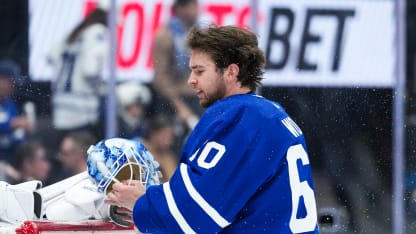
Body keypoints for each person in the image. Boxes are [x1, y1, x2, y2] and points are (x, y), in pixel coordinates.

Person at [106, 25, 319, 233]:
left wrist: (141, 202)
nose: (191, 80)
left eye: (200, 71)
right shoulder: (268, 113)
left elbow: (194, 217)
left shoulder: (240, 119)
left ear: (231, 72)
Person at [47, 6, 108, 145]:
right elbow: (90, 70)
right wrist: (102, 88)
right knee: (82, 160)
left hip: (60, 108)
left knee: (66, 156)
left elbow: (51, 56)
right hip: (81, 110)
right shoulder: (98, 32)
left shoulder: (76, 32)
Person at [150, 0, 201, 153]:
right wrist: (179, 107)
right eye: (191, 6)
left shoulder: (201, 35)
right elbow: (160, 78)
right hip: (172, 102)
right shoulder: (165, 36)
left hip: (198, 99)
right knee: (171, 149)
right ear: (180, 9)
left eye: (196, 6)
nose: (196, 10)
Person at [0, 59, 33, 165]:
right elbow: (14, 124)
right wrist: (13, 124)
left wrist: (27, 133)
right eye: (11, 82)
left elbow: (18, 137)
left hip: (11, 159)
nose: (14, 87)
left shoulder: (10, 103)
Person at [141, 114, 178, 183]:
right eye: (165, 135)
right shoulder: (138, 150)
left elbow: (174, 183)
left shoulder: (168, 157)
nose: (169, 141)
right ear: (153, 134)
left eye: (171, 136)